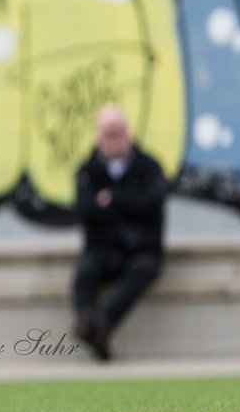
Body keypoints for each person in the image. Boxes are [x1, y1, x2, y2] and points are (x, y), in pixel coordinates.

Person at [72, 104, 169, 361]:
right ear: (97, 135)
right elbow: (84, 212)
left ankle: (101, 324)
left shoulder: (149, 167)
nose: (114, 138)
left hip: (141, 248)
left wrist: (113, 200)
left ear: (128, 132)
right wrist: (128, 205)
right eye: (108, 132)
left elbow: (152, 205)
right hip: (103, 248)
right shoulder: (87, 170)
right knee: (86, 272)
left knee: (142, 270)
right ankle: (88, 321)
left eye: (118, 132)